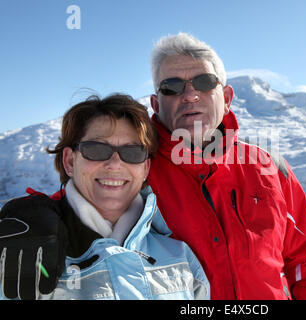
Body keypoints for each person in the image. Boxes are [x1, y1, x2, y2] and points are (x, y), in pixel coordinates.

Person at [1, 33, 306, 300]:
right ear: (156, 103)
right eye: (172, 86)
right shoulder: (138, 163)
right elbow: (86, 196)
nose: (190, 95)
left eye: (203, 82)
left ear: (226, 96)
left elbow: (304, 261)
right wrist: (34, 213)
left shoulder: (269, 167)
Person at [0, 94, 209, 300]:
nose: (115, 163)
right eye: (97, 149)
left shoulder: (180, 257)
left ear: (145, 168)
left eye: (133, 152)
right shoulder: (21, 254)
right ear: (70, 162)